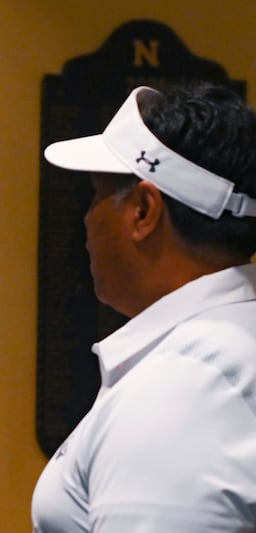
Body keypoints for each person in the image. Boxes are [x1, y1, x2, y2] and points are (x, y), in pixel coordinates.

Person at [32, 82, 256, 531]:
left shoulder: (184, 392)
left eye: (97, 194)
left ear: (143, 211)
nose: (87, 217)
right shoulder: (224, 350)